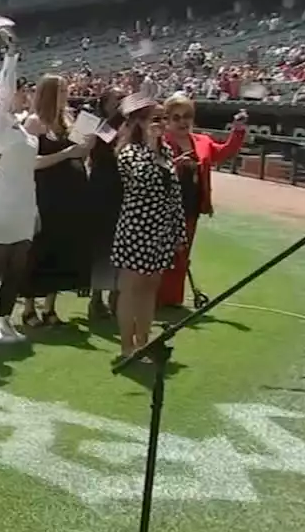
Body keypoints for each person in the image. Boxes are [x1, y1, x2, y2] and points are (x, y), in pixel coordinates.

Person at [112, 95, 186, 360]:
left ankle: (144, 343)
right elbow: (140, 181)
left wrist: (178, 233)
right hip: (136, 230)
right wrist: (150, 146)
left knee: (150, 289)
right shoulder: (129, 152)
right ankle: (126, 348)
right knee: (131, 288)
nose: (162, 124)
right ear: (139, 123)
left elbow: (174, 194)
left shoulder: (165, 150)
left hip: (160, 232)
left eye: (164, 119)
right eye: (156, 119)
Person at [20, 75, 95, 327]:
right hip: (45, 192)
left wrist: (87, 144)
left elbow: (79, 153)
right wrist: (66, 154)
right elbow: (31, 162)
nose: (66, 93)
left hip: (70, 194)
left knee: (61, 248)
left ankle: (50, 307)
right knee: (39, 248)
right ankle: (29, 306)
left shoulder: (68, 120)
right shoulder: (34, 122)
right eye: (61, 90)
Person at [158, 95, 246, 307]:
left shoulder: (202, 141)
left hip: (191, 206)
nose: (182, 122)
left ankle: (172, 299)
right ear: (167, 119)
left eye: (187, 116)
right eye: (176, 117)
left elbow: (225, 152)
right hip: (161, 207)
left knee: (182, 254)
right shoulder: (159, 141)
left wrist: (238, 131)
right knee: (161, 254)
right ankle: (154, 298)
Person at [0, 42, 36, 344]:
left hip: (25, 207)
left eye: (25, 90)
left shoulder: (23, 126)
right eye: (19, 89)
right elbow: (2, 91)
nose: (23, 93)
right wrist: (11, 58)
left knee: (15, 270)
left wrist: (35, 210)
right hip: (0, 205)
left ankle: (5, 320)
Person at [86, 87, 126, 319]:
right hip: (101, 187)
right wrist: (121, 114)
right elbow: (103, 140)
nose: (119, 103)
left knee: (119, 243)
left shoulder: (127, 124)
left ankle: (116, 294)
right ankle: (96, 298)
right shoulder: (94, 122)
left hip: (121, 187)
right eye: (115, 100)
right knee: (102, 243)